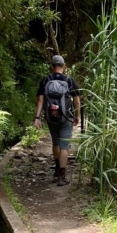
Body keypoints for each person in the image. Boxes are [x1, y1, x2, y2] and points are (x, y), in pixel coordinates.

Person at [34, 54, 81, 186]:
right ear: (64, 67)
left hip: (50, 117)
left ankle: (55, 172)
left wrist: (37, 117)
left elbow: (40, 100)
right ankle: (62, 176)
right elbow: (77, 101)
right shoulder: (69, 81)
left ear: (51, 67)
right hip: (66, 118)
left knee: (55, 143)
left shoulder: (46, 80)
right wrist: (77, 116)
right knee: (64, 146)